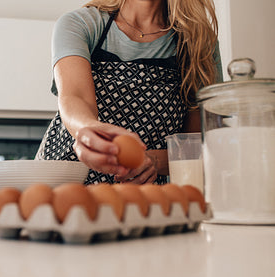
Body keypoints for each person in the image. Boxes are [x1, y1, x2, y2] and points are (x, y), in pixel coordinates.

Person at [36, 0, 222, 185]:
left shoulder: (198, 44)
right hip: (63, 184)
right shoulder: (82, 23)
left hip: (141, 196)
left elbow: (197, 147)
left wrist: (153, 161)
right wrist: (87, 130)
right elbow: (75, 96)